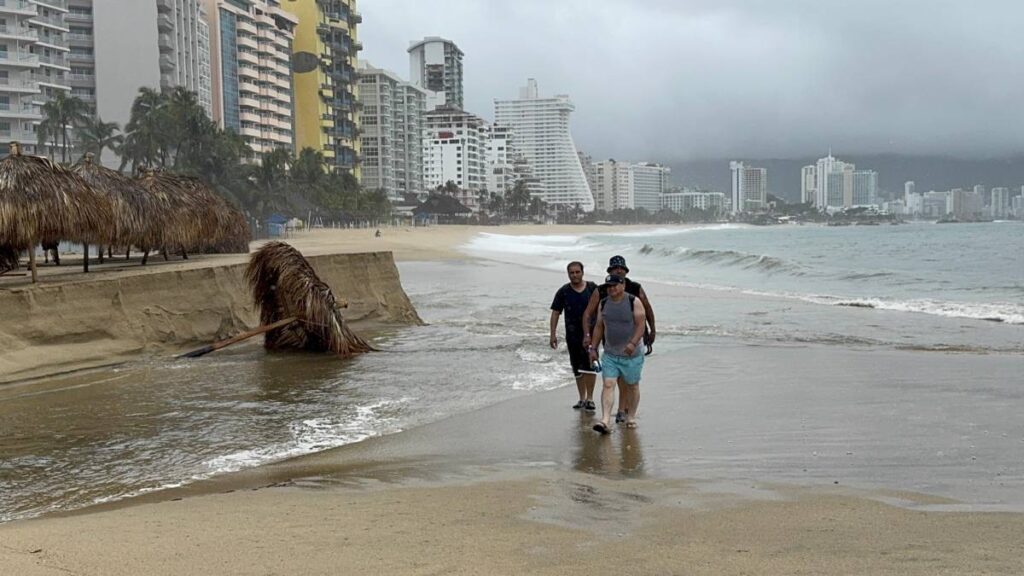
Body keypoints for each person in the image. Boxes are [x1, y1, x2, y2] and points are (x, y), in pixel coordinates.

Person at [581, 255, 656, 424]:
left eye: (621, 269)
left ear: (625, 274)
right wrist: (591, 343)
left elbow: (646, 314)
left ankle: (626, 413)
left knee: (630, 383)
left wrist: (651, 331)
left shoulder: (635, 292)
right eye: (615, 269)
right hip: (610, 347)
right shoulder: (602, 293)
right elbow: (593, 319)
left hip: (632, 348)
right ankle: (606, 419)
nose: (618, 271)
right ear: (609, 271)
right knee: (609, 383)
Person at [589, 274, 646, 434]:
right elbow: (599, 326)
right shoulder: (604, 303)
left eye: (614, 285)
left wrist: (632, 343)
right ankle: (605, 420)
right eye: (608, 286)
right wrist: (593, 348)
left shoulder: (633, 302)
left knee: (632, 386)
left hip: (632, 355)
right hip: (610, 354)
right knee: (608, 384)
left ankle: (631, 417)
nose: (611, 289)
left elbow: (641, 325)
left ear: (623, 286)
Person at [550, 261, 599, 411]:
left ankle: (590, 399)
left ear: (583, 272)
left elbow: (604, 308)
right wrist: (552, 334)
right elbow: (555, 313)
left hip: (591, 335)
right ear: (568, 274)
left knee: (590, 365)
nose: (575, 275)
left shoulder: (592, 288)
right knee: (577, 367)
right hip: (572, 335)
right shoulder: (563, 291)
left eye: (577, 272)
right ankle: (582, 398)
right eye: (572, 272)